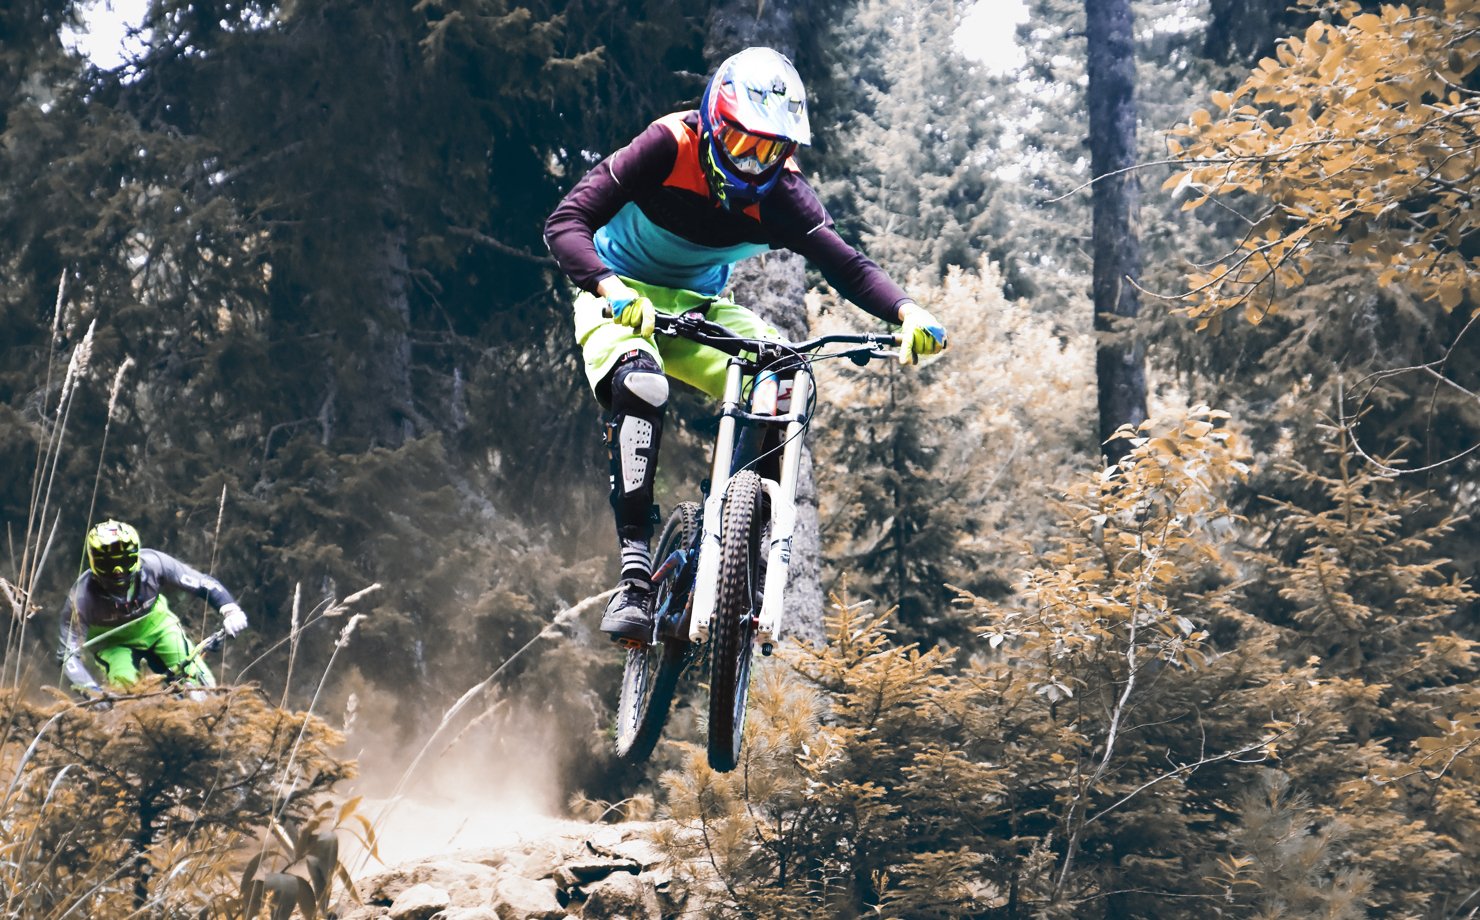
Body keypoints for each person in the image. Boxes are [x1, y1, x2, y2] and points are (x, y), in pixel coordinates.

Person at [544, 47, 948, 642]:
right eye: (743, 142)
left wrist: (908, 310)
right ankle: (634, 572)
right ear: (712, 120)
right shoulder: (667, 144)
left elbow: (849, 266)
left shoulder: (783, 197)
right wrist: (607, 286)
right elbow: (566, 221)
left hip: (700, 309)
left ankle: (733, 530)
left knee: (784, 375)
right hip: (619, 295)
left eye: (772, 149)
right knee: (642, 383)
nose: (755, 161)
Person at [58, 519, 250, 693]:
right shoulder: (81, 597)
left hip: (158, 628)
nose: (118, 572)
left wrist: (230, 610)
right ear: (93, 563)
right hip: (113, 644)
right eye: (108, 565)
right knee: (123, 690)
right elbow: (67, 654)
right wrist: (91, 690)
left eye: (125, 562)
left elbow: (202, 583)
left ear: (136, 557)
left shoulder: (155, 565)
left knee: (198, 681)